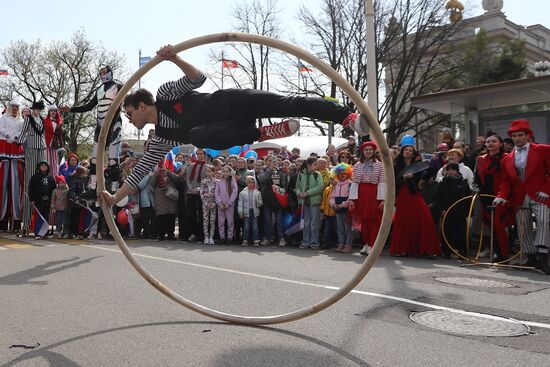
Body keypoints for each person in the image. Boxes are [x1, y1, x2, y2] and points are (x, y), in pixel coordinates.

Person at [101, 44, 367, 208]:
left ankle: (348, 117)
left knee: (290, 103)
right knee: (196, 136)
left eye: (129, 112)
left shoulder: (166, 94)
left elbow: (197, 79)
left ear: (142, 106)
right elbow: (140, 172)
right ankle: (261, 133)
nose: (129, 118)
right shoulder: (160, 139)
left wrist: (175, 59)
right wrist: (114, 198)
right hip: (229, 130)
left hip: (235, 102)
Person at [495, 119, 550, 274]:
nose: (517, 138)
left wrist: (547, 189)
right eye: (514, 136)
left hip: (540, 195)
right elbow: (505, 181)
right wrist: (501, 195)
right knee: (523, 226)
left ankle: (542, 255)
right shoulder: (507, 158)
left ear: (528, 136)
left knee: (543, 221)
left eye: (520, 135)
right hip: (519, 196)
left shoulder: (543, 150)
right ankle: (531, 257)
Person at [60, 65, 123, 172]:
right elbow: (89, 106)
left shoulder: (119, 87)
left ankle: (114, 186)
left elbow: (127, 101)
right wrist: (71, 109)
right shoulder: (99, 90)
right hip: (100, 125)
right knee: (94, 160)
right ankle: (93, 185)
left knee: (113, 161)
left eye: (104, 72)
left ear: (110, 72)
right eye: (100, 73)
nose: (103, 75)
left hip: (114, 125)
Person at [390, 136, 440, 257]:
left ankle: (427, 250)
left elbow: (432, 170)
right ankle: (402, 249)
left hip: (415, 193)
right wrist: (404, 178)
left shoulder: (417, 164)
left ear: (413, 153)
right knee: (403, 221)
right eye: (406, 150)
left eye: (410, 151)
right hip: (402, 194)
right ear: (402, 151)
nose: (408, 152)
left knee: (425, 218)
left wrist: (422, 180)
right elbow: (393, 180)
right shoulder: (396, 165)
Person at [474, 134, 513, 261]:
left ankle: (503, 254)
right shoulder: (480, 159)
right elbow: (477, 179)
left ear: (500, 144)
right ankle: (497, 251)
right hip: (485, 195)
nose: (491, 143)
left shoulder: (507, 158)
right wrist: (478, 191)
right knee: (490, 225)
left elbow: (508, 179)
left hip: (502, 196)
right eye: (488, 141)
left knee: (499, 224)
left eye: (494, 141)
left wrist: (504, 195)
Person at [350, 141, 385, 256]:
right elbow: (354, 182)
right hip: (362, 193)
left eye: (370, 149)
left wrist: (382, 199)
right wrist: (352, 199)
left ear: (374, 151)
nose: (368, 151)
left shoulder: (379, 165)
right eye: (366, 149)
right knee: (364, 221)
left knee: (374, 221)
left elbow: (382, 182)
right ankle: (365, 244)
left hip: (374, 193)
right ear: (363, 151)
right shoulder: (357, 165)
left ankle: (372, 245)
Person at [19, 101, 47, 235]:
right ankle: (26, 223)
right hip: (30, 148)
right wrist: (17, 144)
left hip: (41, 148)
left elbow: (43, 134)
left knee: (42, 181)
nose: (37, 111)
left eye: (39, 109)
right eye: (36, 109)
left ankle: (40, 224)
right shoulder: (28, 119)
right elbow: (22, 133)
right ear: (33, 110)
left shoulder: (41, 120)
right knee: (29, 181)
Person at [436, 163, 472, 258]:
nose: (451, 172)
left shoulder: (463, 182)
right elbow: (438, 197)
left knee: (461, 232)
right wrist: (441, 209)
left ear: (457, 171)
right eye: (449, 170)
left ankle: (462, 251)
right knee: (446, 232)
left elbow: (468, 198)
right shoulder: (442, 182)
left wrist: (467, 212)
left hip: (460, 211)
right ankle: (446, 251)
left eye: (453, 170)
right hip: (447, 211)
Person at [0, 100, 24, 231]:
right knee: (3, 184)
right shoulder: (4, 117)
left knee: (16, 185)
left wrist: (15, 137)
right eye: (13, 106)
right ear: (10, 107)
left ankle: (16, 221)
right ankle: (2, 220)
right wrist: (8, 135)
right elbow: (1, 129)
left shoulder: (21, 120)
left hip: (15, 146)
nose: (15, 108)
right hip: (4, 145)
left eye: (17, 107)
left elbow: (22, 131)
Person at [295, 157, 324, 249]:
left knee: (314, 223)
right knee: (306, 223)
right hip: (304, 202)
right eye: (315, 164)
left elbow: (320, 186)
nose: (316, 166)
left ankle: (314, 242)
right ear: (308, 165)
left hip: (314, 202)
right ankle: (305, 241)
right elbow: (296, 187)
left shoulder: (317, 174)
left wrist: (307, 193)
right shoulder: (301, 174)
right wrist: (299, 193)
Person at [151, 159, 178, 241]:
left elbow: (177, 180)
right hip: (160, 197)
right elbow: (152, 184)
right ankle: (161, 235)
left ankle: (171, 234)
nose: (162, 167)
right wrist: (157, 173)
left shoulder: (170, 171)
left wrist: (168, 171)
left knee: (171, 217)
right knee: (161, 217)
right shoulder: (156, 172)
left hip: (170, 196)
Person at [28, 161, 56, 239]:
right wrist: (32, 199)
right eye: (42, 165)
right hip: (38, 200)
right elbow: (31, 188)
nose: (44, 167)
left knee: (46, 216)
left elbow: (54, 189)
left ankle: (46, 233)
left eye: (45, 165)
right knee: (39, 217)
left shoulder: (50, 177)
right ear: (39, 167)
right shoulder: (35, 177)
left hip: (48, 200)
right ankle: (38, 233)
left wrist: (53, 200)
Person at [330, 163, 354, 253]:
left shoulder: (350, 184)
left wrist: (342, 205)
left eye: (344, 173)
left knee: (348, 228)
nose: (342, 175)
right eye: (340, 173)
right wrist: (333, 204)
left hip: (346, 210)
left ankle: (348, 244)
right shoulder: (336, 185)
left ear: (348, 174)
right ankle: (341, 244)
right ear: (337, 174)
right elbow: (331, 197)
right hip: (337, 210)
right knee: (340, 228)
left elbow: (351, 197)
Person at [238, 175, 263, 247]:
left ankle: (256, 240)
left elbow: (261, 203)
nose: (251, 184)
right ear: (246, 183)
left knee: (255, 227)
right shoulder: (243, 192)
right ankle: (245, 240)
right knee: (246, 227)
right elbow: (240, 203)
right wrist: (240, 212)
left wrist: (258, 202)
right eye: (249, 182)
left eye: (253, 182)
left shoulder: (257, 192)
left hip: (254, 212)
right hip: (246, 211)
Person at [216, 166, 238, 245]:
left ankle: (229, 238)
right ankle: (222, 237)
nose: (225, 173)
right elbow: (217, 193)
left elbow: (234, 192)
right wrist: (219, 203)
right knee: (221, 222)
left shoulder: (232, 180)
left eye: (227, 171)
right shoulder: (219, 181)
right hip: (221, 205)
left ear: (230, 172)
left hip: (229, 205)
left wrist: (229, 203)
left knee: (230, 222)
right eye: (224, 171)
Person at [43, 104, 64, 178]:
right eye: (51, 111)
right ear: (49, 112)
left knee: (54, 163)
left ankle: (55, 179)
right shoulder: (44, 121)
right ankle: (46, 178)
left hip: (55, 144)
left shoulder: (59, 122)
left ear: (56, 112)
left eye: (54, 111)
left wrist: (62, 145)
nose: (53, 112)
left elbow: (60, 135)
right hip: (46, 143)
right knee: (47, 161)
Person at [200, 165, 217, 245]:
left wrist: (214, 203)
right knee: (206, 220)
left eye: (210, 171)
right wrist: (205, 203)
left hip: (213, 204)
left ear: (213, 172)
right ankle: (206, 237)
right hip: (205, 204)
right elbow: (201, 193)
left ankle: (211, 237)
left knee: (212, 221)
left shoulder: (217, 181)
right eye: (207, 171)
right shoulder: (203, 181)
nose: (208, 173)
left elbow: (218, 194)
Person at [320, 173, 337, 249]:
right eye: (330, 179)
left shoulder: (338, 188)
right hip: (327, 213)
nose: (331, 181)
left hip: (335, 213)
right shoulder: (327, 189)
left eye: (333, 179)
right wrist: (322, 209)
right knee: (327, 229)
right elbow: (324, 200)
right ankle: (326, 242)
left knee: (336, 229)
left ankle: (336, 242)